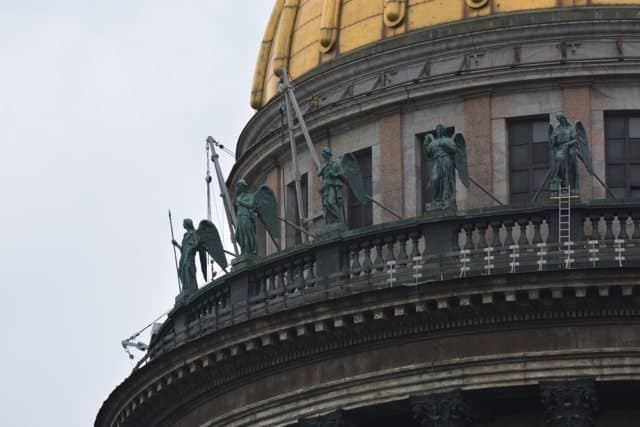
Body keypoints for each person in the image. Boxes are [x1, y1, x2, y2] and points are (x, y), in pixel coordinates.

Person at [317, 147, 345, 224]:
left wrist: (333, 174)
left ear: (328, 154)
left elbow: (342, 174)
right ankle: (331, 221)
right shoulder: (324, 165)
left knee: (331, 202)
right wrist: (325, 165)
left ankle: (339, 219)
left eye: (324, 155)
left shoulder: (336, 163)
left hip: (332, 185)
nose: (324, 157)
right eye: (323, 155)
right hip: (325, 186)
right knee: (326, 204)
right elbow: (318, 173)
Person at [234, 179, 257, 255]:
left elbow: (250, 204)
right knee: (239, 235)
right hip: (239, 216)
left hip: (246, 215)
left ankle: (248, 250)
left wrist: (240, 202)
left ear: (244, 186)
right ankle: (243, 250)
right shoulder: (239, 196)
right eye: (238, 187)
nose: (239, 188)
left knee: (246, 233)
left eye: (240, 186)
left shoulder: (250, 195)